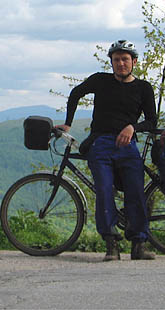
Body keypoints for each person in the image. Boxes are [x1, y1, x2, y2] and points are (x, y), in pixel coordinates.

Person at [57, 40, 157, 261]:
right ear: (111, 62)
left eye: (125, 59)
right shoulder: (101, 81)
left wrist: (133, 127)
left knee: (135, 191)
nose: (121, 63)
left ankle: (138, 245)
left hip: (127, 145)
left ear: (134, 62)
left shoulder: (143, 88)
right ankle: (111, 244)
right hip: (100, 143)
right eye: (116, 60)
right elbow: (75, 93)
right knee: (103, 190)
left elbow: (152, 122)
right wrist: (67, 124)